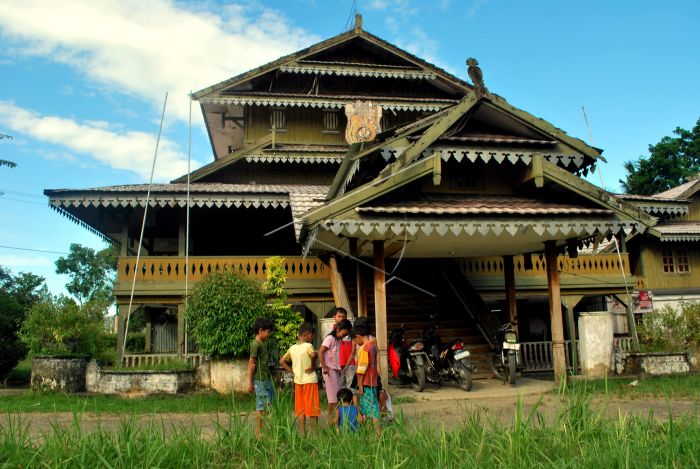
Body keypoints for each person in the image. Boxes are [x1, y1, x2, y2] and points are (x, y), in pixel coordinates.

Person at [279, 322, 320, 433]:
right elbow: (312, 355)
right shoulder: (308, 346)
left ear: (299, 334)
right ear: (309, 335)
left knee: (300, 410)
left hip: (298, 382)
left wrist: (292, 371)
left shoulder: (292, 348)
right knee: (312, 409)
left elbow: (282, 361)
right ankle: (314, 434)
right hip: (310, 381)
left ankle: (302, 433)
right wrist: (312, 365)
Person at [247, 317, 275, 438]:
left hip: (267, 379)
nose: (269, 334)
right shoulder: (255, 344)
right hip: (260, 380)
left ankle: (267, 431)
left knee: (269, 406)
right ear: (260, 330)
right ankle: (258, 433)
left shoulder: (263, 344)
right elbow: (251, 364)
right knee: (261, 406)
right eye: (268, 331)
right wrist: (250, 382)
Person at [319, 318, 352, 420]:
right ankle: (331, 420)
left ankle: (334, 419)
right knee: (333, 398)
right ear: (338, 328)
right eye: (343, 333)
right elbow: (320, 351)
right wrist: (324, 366)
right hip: (329, 370)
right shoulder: (329, 338)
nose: (344, 336)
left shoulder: (337, 340)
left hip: (335, 369)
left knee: (335, 397)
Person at [352, 324, 381, 435]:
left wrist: (360, 386)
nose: (355, 343)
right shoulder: (373, 345)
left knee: (372, 410)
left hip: (366, 383)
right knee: (368, 409)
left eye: (355, 340)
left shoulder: (364, 348)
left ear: (358, 336)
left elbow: (361, 370)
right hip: (373, 382)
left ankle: (378, 435)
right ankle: (370, 433)